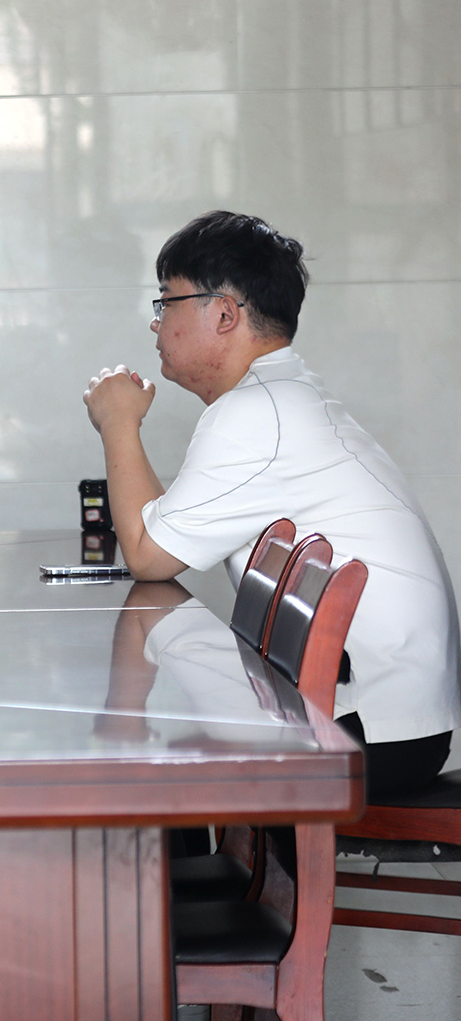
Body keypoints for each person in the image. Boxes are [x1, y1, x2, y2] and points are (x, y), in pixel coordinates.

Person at [82, 210, 460, 799]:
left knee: (145, 769)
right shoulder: (274, 398)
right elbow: (159, 534)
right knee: (165, 748)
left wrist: (117, 424)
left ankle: (218, 857)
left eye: (167, 302)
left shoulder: (257, 413)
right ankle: (221, 859)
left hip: (368, 730)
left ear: (224, 313)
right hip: (386, 717)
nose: (156, 322)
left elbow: (148, 556)